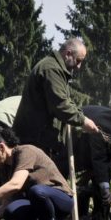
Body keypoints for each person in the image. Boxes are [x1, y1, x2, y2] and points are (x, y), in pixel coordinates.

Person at [13, 37, 99, 175]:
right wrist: (83, 121)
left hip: (40, 139)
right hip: (35, 140)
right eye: (78, 61)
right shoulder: (51, 69)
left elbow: (65, 101)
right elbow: (61, 105)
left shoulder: (56, 69)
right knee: (37, 180)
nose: (79, 66)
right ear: (68, 54)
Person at [0, 126, 74, 220]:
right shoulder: (5, 168)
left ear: (1, 147)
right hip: (37, 202)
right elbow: (6, 204)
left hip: (61, 199)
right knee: (10, 212)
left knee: (37, 191)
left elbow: (16, 184)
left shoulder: (26, 152)